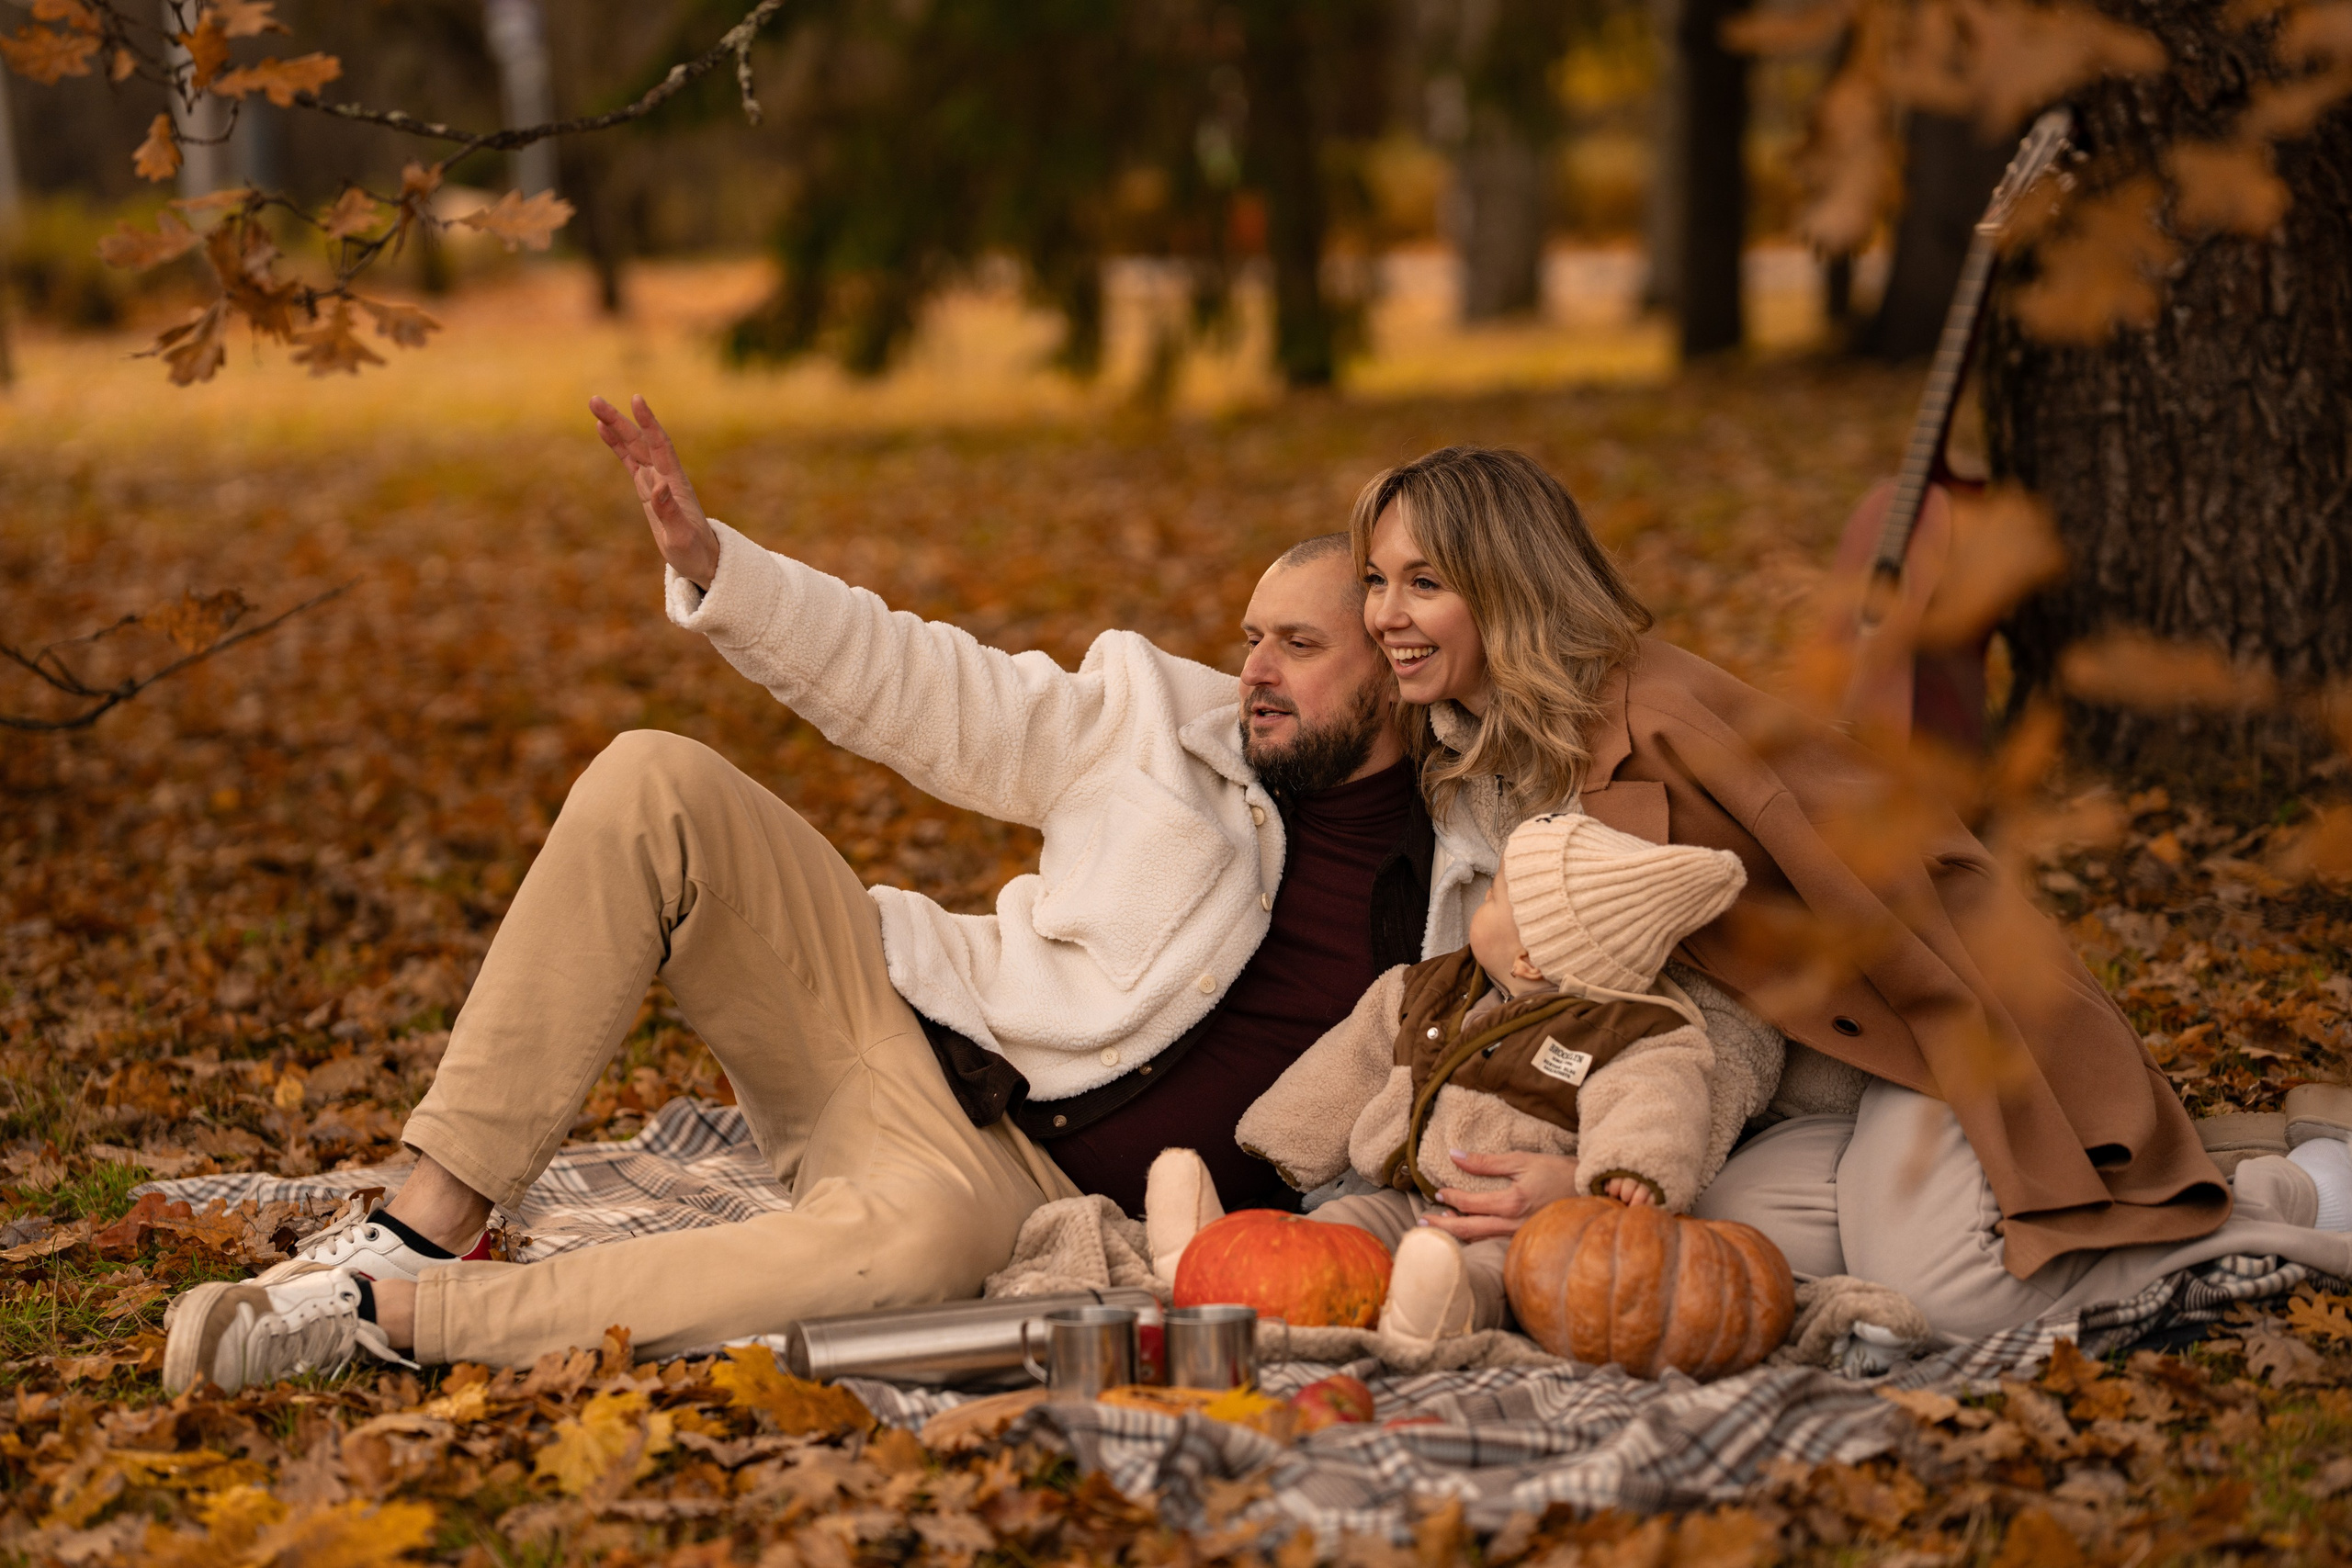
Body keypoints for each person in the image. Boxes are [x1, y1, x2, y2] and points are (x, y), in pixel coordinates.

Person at [161, 395, 1441, 1394]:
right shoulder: (1161, 719)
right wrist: (719, 566)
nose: (1253, 669)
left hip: (1015, 1192)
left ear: (1393, 666)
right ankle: (426, 1225)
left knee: (917, 1255)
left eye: (1298, 645)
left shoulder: (1460, 881)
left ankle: (391, 1320)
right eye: (1249, 636)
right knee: (652, 778)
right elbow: (929, 683)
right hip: (882, 1017)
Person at [1331, 443, 2352, 1348]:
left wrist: (1598, 1171)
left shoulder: (1658, 730)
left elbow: (1891, 907)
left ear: (1509, 585)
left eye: (1424, 583)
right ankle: (2155, 1175)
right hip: (1808, 1080)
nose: (1386, 614)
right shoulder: (1492, 742)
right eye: (1377, 580)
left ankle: (2292, 1194)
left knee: (1955, 1299)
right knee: (1719, 1247)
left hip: (1924, 1032)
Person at [1153, 811, 1776, 1348]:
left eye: (1496, 896)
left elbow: (1657, 1097)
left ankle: (1439, 1312)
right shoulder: (1431, 989)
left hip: (1514, 1222)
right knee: (1332, 1234)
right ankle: (1207, 1260)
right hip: (1404, 1197)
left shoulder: (1628, 1031)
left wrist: (1632, 1169)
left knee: (1497, 1277)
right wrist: (1288, 1135)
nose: (1484, 901)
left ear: (1530, 958)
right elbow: (1355, 1058)